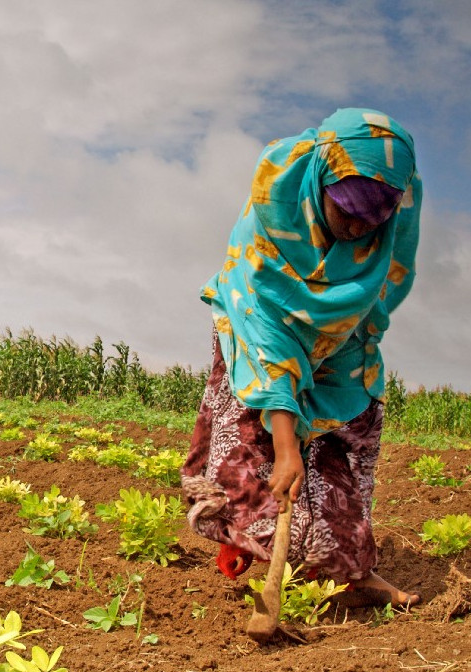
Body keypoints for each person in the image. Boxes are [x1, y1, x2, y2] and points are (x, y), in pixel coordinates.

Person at [180, 108, 422, 608]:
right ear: (321, 183)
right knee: (256, 446)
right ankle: (251, 547)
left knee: (346, 443)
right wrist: (287, 441)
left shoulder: (384, 234)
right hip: (258, 327)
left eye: (371, 221)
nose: (357, 229)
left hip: (345, 336)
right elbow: (268, 339)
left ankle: (352, 572)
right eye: (346, 212)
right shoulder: (272, 220)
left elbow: (370, 308)